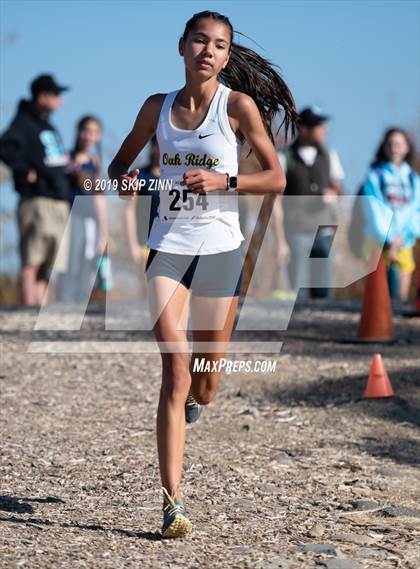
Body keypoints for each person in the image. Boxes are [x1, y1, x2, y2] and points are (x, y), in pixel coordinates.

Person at [108, 10, 298, 538]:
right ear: (182, 47)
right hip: (167, 248)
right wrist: (129, 186)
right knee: (174, 373)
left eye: (218, 45)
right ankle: (172, 504)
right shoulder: (157, 108)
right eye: (199, 41)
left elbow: (277, 178)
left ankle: (200, 396)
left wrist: (225, 180)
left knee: (206, 384)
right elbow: (117, 172)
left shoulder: (238, 107)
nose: (208, 51)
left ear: (227, 56)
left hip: (220, 251)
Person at [0, 74, 71, 305]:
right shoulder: (23, 122)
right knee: (32, 261)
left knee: (46, 266)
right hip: (37, 201)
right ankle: (25, 317)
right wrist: (23, 171)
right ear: (42, 97)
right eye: (56, 95)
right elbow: (6, 147)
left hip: (57, 199)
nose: (60, 101)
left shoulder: (47, 125)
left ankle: (39, 313)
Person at [275, 106, 345, 299]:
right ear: (304, 129)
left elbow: (338, 187)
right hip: (296, 233)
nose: (325, 130)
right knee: (298, 292)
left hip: (325, 233)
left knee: (324, 292)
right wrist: (280, 241)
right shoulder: (284, 157)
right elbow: (276, 202)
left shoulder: (330, 156)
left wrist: (333, 193)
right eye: (319, 125)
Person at [361, 128, 419, 300]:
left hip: (405, 241)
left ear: (407, 147)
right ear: (384, 147)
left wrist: (404, 235)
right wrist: (389, 236)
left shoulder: (413, 179)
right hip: (379, 241)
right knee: (379, 297)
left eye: (399, 144)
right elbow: (374, 207)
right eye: (390, 144)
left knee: (400, 297)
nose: (395, 148)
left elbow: (416, 210)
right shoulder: (374, 176)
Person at [57, 116, 108, 303]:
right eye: (86, 131)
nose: (89, 136)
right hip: (68, 218)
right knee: (69, 264)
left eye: (94, 132)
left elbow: (99, 198)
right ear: (78, 132)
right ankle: (65, 303)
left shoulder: (95, 164)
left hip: (89, 220)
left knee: (88, 264)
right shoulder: (65, 158)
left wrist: (103, 233)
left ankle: (80, 304)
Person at [124, 134, 160, 298]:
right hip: (144, 243)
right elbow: (129, 210)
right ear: (152, 147)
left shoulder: (179, 175)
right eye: (157, 144)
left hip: (172, 242)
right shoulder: (141, 175)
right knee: (146, 289)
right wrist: (132, 244)